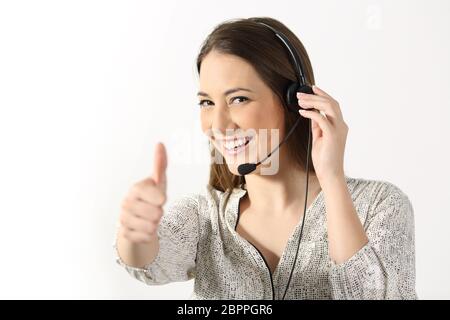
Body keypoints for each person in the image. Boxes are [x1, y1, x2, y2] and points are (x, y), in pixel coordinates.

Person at [113, 17, 417, 299]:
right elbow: (150, 263)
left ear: (295, 102)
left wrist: (333, 179)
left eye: (239, 99)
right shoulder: (204, 216)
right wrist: (134, 234)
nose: (217, 124)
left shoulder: (379, 205)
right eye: (206, 102)